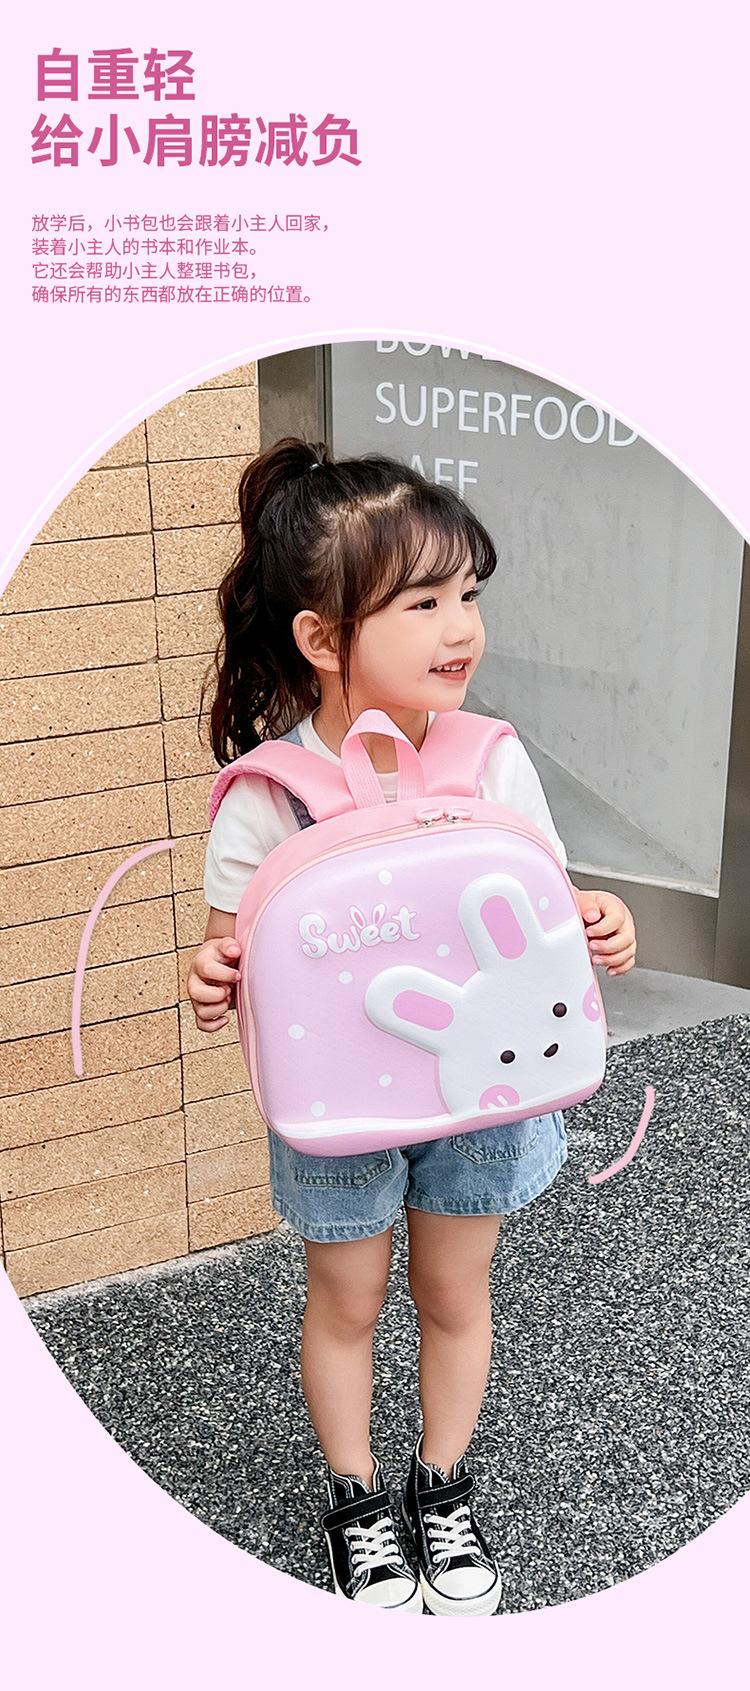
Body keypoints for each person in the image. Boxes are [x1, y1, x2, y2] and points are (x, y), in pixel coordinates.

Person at [187, 437, 637, 1617]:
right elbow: (236, 950)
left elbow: (543, 907)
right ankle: (356, 1497)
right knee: (346, 1299)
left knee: (454, 1290)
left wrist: (601, 921)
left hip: (484, 1091)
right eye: (422, 602)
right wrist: (213, 974)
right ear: (321, 635)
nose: (461, 628)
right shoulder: (270, 794)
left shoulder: (492, 759)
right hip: (341, 1109)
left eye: (468, 594)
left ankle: (441, 1485)